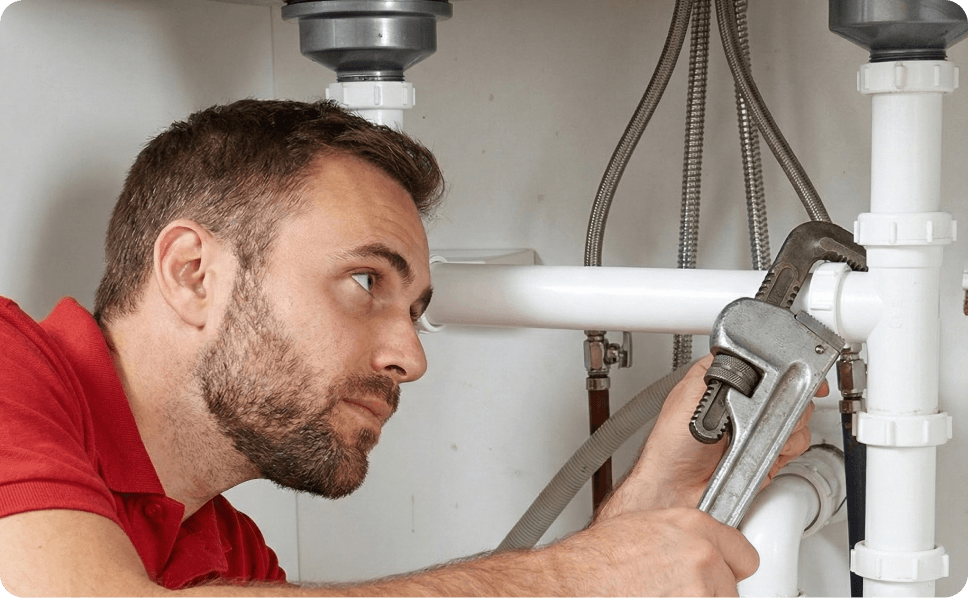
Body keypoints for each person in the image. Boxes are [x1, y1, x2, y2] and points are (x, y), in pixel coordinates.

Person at [0, 99, 814, 597]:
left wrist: (645, 509)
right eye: (365, 282)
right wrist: (577, 578)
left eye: (416, 312)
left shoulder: (222, 555)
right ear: (192, 273)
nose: (411, 359)